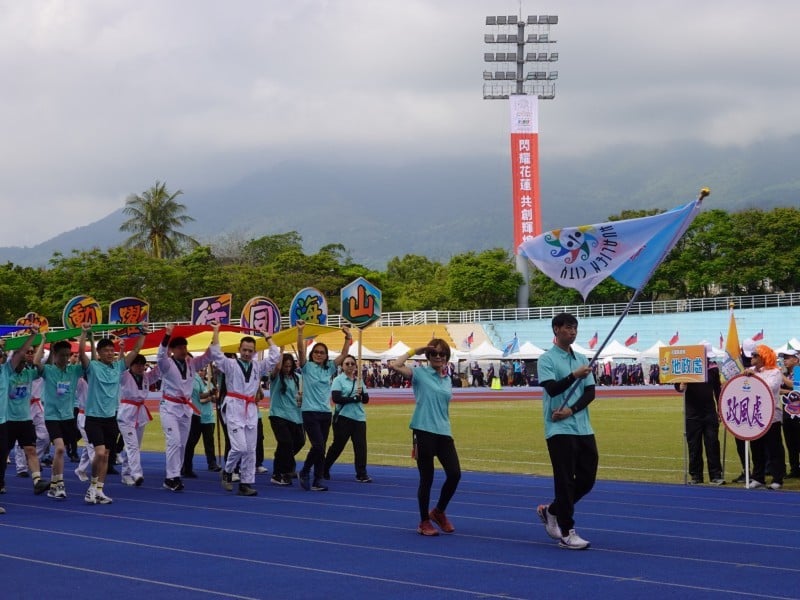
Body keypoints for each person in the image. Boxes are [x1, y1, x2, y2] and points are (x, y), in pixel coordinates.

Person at [535, 312, 597, 550]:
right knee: (565, 480)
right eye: (568, 327)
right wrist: (573, 375)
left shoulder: (581, 357)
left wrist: (572, 409)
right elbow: (551, 389)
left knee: (587, 479)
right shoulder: (547, 359)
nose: (572, 332)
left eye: (575, 328)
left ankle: (552, 510)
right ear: (556, 329)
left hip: (581, 426)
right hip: (558, 428)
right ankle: (567, 531)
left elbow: (590, 392)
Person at [391, 339, 461, 537]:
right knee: (427, 478)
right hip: (423, 430)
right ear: (428, 357)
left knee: (455, 474)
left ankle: (438, 511)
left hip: (444, 432)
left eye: (442, 354)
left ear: (447, 357)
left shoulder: (447, 378)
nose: (438, 356)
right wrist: (417, 349)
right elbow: (395, 365)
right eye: (433, 353)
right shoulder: (420, 374)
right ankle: (424, 521)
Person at [77, 323, 145, 504]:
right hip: (93, 418)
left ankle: (99, 490)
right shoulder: (92, 367)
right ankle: (91, 487)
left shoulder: (118, 367)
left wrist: (142, 333)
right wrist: (84, 333)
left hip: (110, 418)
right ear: (98, 353)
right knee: (99, 453)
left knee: (106, 455)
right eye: (105, 350)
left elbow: (136, 350)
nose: (109, 353)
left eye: (111, 350)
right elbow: (82, 353)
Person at [210, 326, 280, 496]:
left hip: (250, 409)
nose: (247, 353)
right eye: (244, 350)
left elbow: (275, 356)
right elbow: (216, 354)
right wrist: (216, 331)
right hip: (234, 405)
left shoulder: (258, 366)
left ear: (255, 352)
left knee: (250, 448)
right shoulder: (230, 364)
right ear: (239, 350)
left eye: (250, 351)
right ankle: (228, 470)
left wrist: (268, 337)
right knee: (239, 447)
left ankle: (246, 483)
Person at [157, 323, 216, 492]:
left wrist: (215, 334)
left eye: (185, 347)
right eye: (180, 347)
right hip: (170, 407)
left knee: (183, 444)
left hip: (185, 408)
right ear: (173, 350)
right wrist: (167, 335)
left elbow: (207, 357)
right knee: (174, 442)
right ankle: (170, 477)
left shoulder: (191, 364)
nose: (183, 350)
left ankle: (177, 473)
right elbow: (160, 355)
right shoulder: (166, 364)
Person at [296, 319, 352, 492]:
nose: (319, 354)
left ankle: (317, 480)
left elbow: (343, 355)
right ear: (313, 353)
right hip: (310, 412)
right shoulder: (307, 367)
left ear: (326, 355)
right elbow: (300, 350)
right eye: (317, 352)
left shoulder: (329, 368)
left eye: (322, 353)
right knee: (318, 445)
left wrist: (347, 338)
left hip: (325, 413)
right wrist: (300, 332)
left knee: (321, 449)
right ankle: (305, 471)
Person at [35, 339, 83, 499]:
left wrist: (85, 336)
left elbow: (87, 360)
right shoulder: (48, 370)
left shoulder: (74, 371)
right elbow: (36, 361)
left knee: (61, 451)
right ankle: (59, 483)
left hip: (68, 417)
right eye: (62, 355)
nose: (65, 359)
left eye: (68, 355)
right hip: (52, 416)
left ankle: (54, 485)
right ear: (54, 355)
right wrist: (44, 340)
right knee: (60, 448)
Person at [4, 327, 50, 495]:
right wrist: (29, 337)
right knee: (4, 452)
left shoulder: (28, 374)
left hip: (25, 419)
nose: (23, 364)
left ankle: (37, 480)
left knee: (30, 449)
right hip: (7, 420)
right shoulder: (6, 374)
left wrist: (44, 341)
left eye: (24, 362)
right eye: (20, 361)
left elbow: (41, 364)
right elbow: (17, 354)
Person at [675, 346, 725, 485]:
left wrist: (720, 410)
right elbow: (678, 387)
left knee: (712, 444)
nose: (707, 359)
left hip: (709, 412)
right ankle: (696, 476)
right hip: (692, 413)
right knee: (694, 446)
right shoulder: (686, 368)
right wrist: (682, 385)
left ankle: (715, 475)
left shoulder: (713, 369)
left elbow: (718, 391)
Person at [323, 354, 371, 483]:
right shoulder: (339, 380)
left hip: (359, 417)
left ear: (356, 366)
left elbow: (366, 400)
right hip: (344, 417)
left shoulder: (359, 381)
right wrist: (353, 398)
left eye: (352, 363)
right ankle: (325, 467)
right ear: (342, 366)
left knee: (361, 446)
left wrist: (361, 394)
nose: (350, 366)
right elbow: (336, 398)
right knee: (338, 445)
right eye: (347, 364)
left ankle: (361, 473)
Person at [117, 351, 160, 486]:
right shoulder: (125, 376)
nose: (141, 368)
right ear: (131, 365)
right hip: (126, 413)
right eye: (138, 365)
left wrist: (165, 353)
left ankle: (126, 473)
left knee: (135, 446)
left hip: (140, 413)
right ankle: (136, 473)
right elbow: (120, 366)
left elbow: (159, 371)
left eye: (143, 365)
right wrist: (122, 353)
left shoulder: (146, 377)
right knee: (132, 445)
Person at [746, 344, 785, 489]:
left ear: (763, 357)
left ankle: (777, 478)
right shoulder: (749, 371)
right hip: (754, 416)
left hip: (771, 416)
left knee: (774, 448)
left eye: (755, 355)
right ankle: (758, 477)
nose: (752, 357)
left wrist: (754, 376)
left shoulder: (775, 372)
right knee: (756, 448)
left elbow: (769, 387)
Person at [268, 352, 305, 486]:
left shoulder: (299, 378)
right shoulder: (276, 377)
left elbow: (301, 395)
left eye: (290, 366)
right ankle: (280, 473)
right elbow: (276, 369)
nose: (287, 369)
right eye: (285, 366)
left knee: (299, 442)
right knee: (286, 443)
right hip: (278, 414)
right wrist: (281, 350)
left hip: (295, 416)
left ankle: (284, 464)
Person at [183, 366, 220, 477]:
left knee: (209, 442)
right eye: (200, 370)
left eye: (203, 370)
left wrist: (214, 394)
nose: (201, 372)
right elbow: (199, 397)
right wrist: (209, 395)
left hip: (208, 417)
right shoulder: (194, 381)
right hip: (197, 415)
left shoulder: (209, 383)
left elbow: (214, 398)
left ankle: (212, 463)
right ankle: (186, 465)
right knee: (192, 442)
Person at [779, 349, 800, 479]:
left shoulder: (798, 372)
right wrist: (788, 391)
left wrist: (780, 376)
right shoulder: (787, 374)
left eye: (788, 357)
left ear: (796, 360)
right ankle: (794, 469)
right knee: (790, 443)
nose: (785, 360)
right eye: (784, 358)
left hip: (798, 413)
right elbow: (779, 390)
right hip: (787, 412)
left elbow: (796, 386)